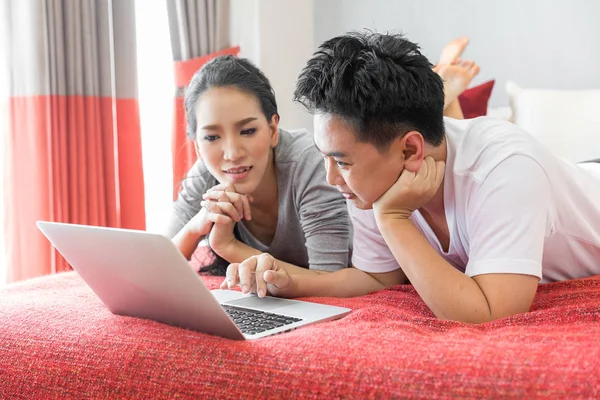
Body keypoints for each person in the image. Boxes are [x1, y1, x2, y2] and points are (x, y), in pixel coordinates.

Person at [222, 31, 600, 324]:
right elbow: (377, 278)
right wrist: (290, 281)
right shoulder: (370, 180)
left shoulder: (506, 170)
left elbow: (489, 314)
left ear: (409, 151)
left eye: (342, 162)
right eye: (325, 158)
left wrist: (393, 218)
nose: (331, 177)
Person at [165, 55, 352, 278]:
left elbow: (330, 280)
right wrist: (196, 226)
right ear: (197, 147)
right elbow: (154, 265)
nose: (232, 154)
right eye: (212, 137)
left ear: (273, 130)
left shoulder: (307, 163)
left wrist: (229, 247)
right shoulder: (206, 174)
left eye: (247, 131)